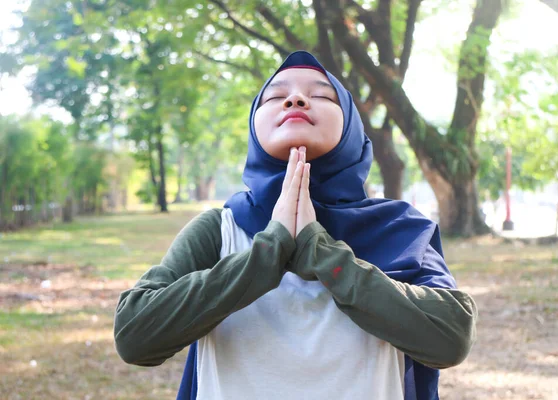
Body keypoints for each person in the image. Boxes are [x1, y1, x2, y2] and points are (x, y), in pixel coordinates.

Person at [114, 50, 477, 400]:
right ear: (254, 127)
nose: (296, 100)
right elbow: (135, 336)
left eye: (321, 95)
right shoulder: (219, 229)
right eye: (276, 97)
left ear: (352, 125)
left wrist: (323, 254)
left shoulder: (401, 230)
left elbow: (451, 338)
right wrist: (268, 252)